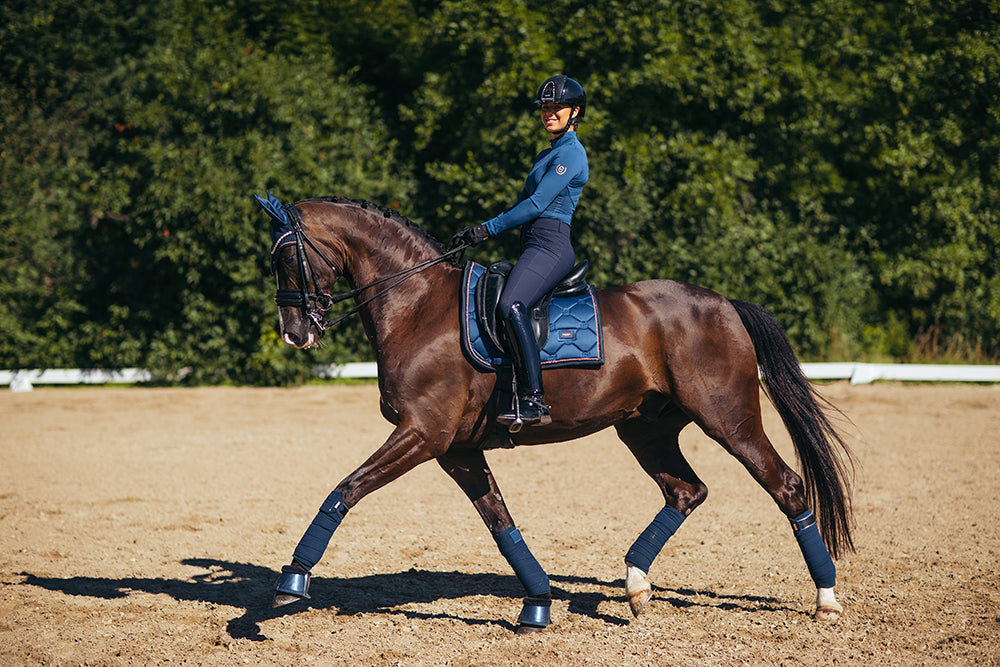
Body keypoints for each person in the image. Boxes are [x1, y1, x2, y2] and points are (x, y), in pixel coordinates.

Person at [451, 75, 589, 430]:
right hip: (534, 243)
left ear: (575, 112)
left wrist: (486, 229)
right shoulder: (547, 154)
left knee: (511, 304)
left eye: (557, 107)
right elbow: (523, 206)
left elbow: (537, 204)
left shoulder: (572, 154)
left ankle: (534, 399)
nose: (549, 113)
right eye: (545, 107)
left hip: (552, 244)